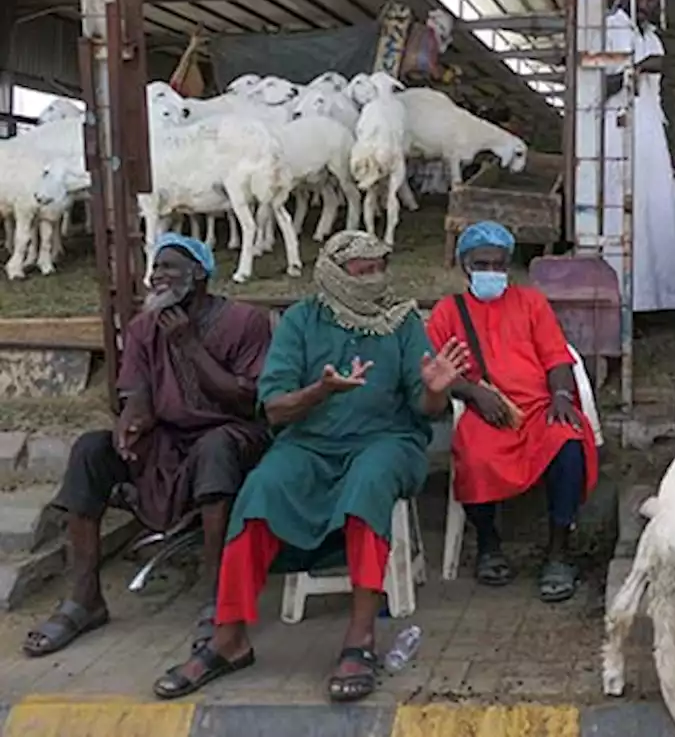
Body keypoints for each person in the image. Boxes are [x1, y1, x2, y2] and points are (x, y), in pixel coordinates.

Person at [151, 230, 469, 703]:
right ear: (334, 274)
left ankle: (360, 640)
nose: (373, 279)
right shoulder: (302, 322)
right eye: (360, 271)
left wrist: (437, 388)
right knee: (260, 492)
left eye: (378, 269)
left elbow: (423, 409)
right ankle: (228, 637)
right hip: (310, 443)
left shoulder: (401, 323)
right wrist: (322, 392)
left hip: (387, 441)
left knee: (368, 484)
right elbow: (275, 409)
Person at [22, 233, 274, 658]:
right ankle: (85, 598)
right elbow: (135, 390)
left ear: (199, 275)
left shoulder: (243, 322)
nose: (156, 276)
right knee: (90, 450)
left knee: (216, 450)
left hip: (232, 434)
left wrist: (189, 344)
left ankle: (217, 605)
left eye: (169, 267)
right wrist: (130, 421)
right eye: (154, 268)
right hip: (167, 440)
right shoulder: (143, 327)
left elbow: (247, 400)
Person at [426, 221, 599, 603]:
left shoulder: (531, 302)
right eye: (482, 264)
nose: (491, 272)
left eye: (498, 264)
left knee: (568, 440)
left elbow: (557, 356)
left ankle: (558, 552)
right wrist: (473, 393)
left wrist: (560, 396)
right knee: (475, 454)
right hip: (487, 409)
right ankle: (488, 545)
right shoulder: (448, 311)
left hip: (538, 407)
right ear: (465, 266)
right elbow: (435, 370)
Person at [602, 0, 675, 312]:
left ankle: (657, 300)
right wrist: (633, 70)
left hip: (651, 132)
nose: (644, 5)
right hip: (618, 129)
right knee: (623, 208)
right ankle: (620, 298)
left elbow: (657, 97)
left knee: (657, 209)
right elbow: (593, 88)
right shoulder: (609, 29)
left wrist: (669, 146)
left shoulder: (653, 39)